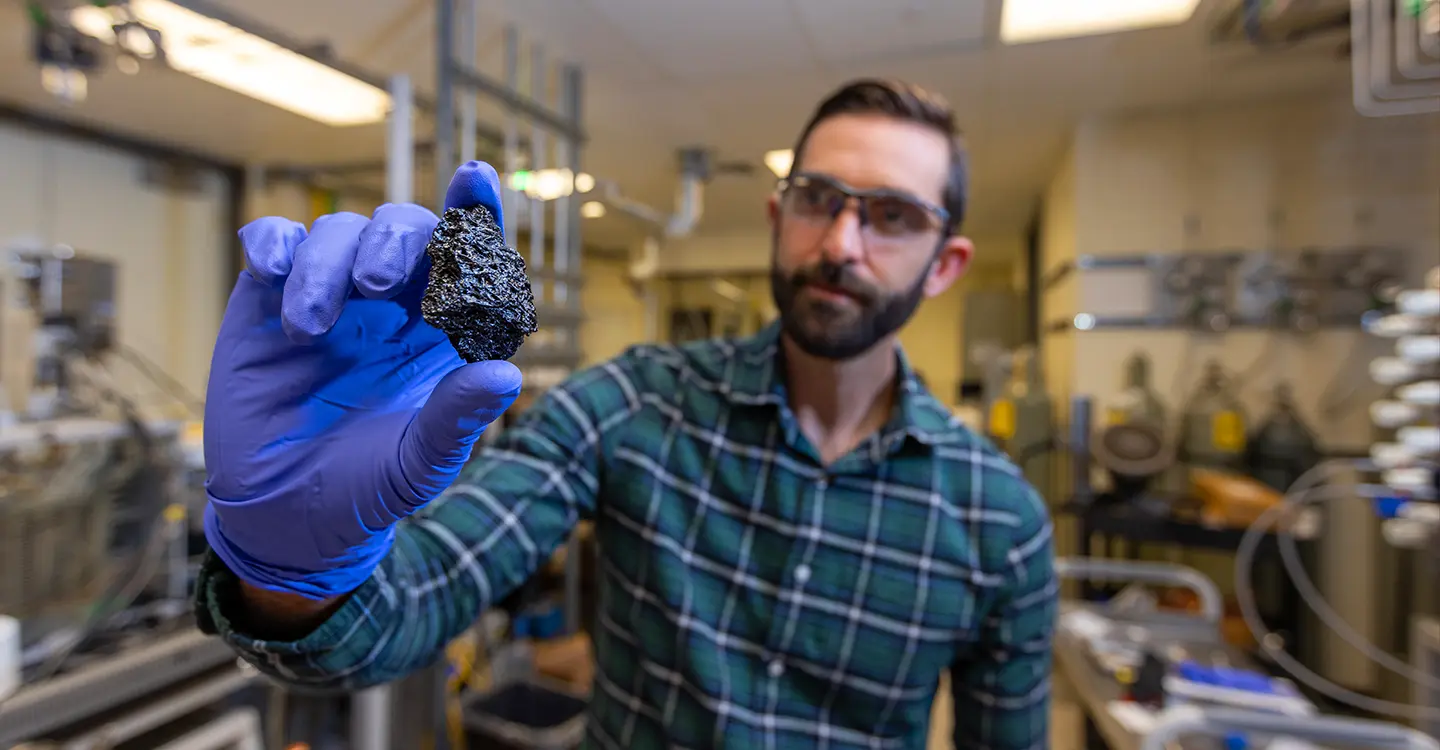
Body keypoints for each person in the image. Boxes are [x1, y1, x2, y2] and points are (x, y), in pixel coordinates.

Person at [196, 78, 1057, 750]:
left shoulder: (998, 520)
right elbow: (422, 594)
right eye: (818, 198)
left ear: (945, 265)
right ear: (776, 213)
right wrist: (290, 573)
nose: (840, 243)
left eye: (893, 217)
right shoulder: (633, 405)